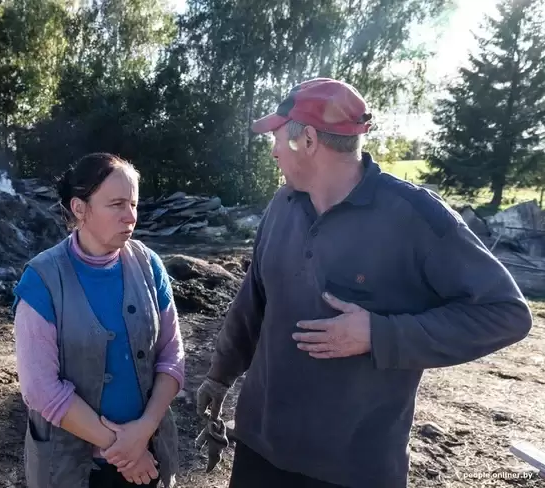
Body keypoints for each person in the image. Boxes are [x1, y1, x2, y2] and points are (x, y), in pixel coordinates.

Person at [195, 78, 533, 488]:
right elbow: (253, 302)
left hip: (354, 469)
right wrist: (220, 374)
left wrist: (380, 334)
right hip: (260, 450)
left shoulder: (416, 217)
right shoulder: (282, 205)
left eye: (278, 137)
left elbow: (506, 314)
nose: (274, 150)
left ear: (308, 140)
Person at [13, 152, 185, 488]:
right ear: (80, 208)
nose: (130, 217)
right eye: (117, 204)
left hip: (148, 457)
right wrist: (122, 448)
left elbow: (172, 355)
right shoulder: (42, 280)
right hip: (72, 471)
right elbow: (41, 388)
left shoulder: (149, 266)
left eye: (133, 204)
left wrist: (144, 430)